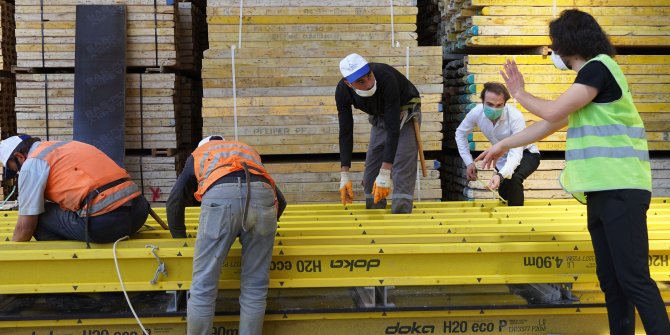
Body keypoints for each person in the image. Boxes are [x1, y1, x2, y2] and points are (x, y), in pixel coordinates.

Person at [476, 10, 670, 335]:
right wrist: (503, 145)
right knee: (612, 281)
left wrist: (520, 93)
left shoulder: (598, 69)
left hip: (620, 187)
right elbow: (547, 125)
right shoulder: (589, 86)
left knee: (633, 278)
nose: (554, 54)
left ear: (569, 44)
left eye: (554, 47)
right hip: (602, 190)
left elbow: (551, 110)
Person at [166, 135, 287, 335]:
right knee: (255, 287)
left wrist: (180, 238)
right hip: (263, 198)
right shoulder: (245, 150)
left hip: (220, 199)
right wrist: (257, 231)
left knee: (203, 287)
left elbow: (175, 201)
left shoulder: (200, 153)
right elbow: (280, 202)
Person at [0, 134, 149, 244]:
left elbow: (24, 229)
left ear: (19, 157)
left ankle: (62, 266)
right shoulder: (70, 146)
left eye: (15, 169)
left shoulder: (32, 163)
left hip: (105, 225)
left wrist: (12, 253)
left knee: (38, 217)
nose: (18, 173)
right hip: (138, 213)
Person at [336, 53, 421, 213]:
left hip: (404, 113)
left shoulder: (385, 77)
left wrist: (385, 172)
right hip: (380, 117)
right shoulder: (342, 91)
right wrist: (344, 174)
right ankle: (375, 218)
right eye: (361, 82)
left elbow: (393, 128)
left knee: (401, 167)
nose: (369, 84)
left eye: (369, 76)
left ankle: (401, 218)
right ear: (348, 83)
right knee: (371, 173)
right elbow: (345, 132)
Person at [455, 82, 541, 206]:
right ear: (482, 101)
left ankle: (516, 219)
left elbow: (516, 153)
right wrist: (469, 162)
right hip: (500, 157)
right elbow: (460, 134)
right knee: (504, 194)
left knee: (514, 179)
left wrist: (500, 175)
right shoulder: (476, 112)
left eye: (499, 105)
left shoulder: (515, 117)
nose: (494, 109)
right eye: (489, 104)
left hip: (527, 154)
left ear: (505, 104)